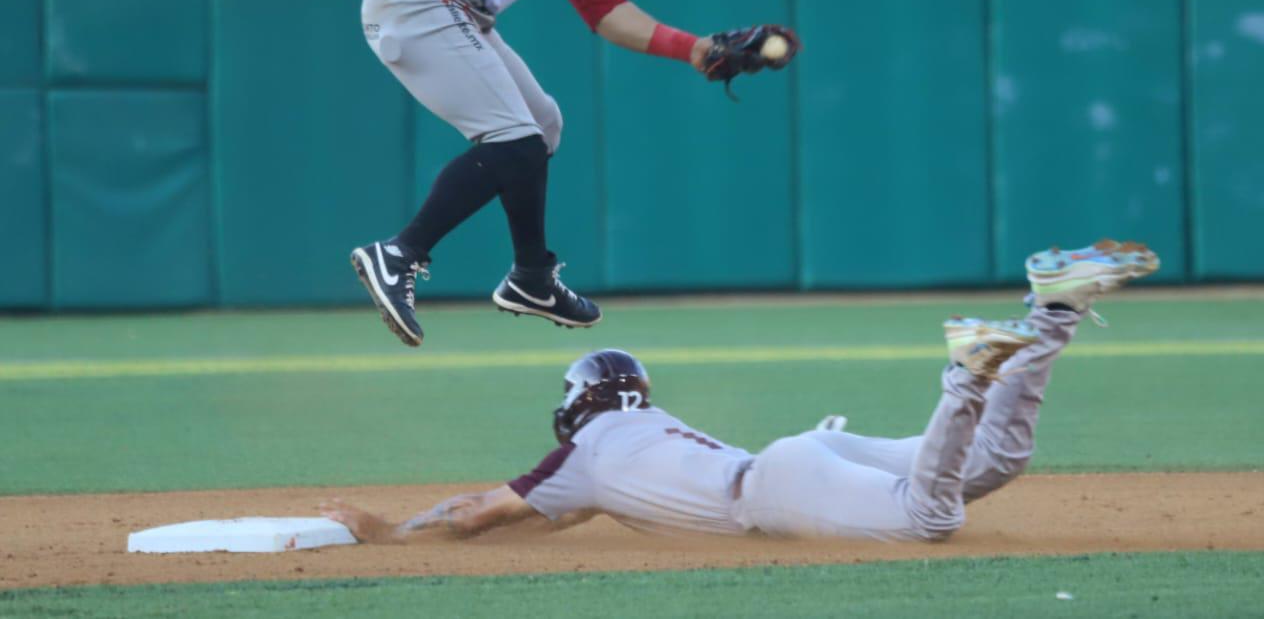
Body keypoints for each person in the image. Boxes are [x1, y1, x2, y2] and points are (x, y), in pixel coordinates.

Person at [348, 0, 798, 347]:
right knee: (515, 141)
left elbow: (603, 8)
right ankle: (400, 254)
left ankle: (532, 277)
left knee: (542, 127)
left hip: (459, 9)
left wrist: (694, 49)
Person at [324, 240, 1159, 541]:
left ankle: (968, 369)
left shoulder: (582, 456)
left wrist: (391, 532)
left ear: (578, 403)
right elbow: (560, 515)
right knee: (996, 461)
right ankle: (1052, 308)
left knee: (932, 516)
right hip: (805, 456)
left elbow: (481, 511)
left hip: (781, 484)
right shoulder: (644, 430)